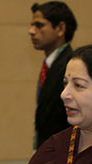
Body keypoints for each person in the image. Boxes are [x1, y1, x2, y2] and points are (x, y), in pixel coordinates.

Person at [29, 1, 77, 148]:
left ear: (60, 28)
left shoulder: (71, 65)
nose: (31, 31)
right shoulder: (50, 64)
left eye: (39, 25)